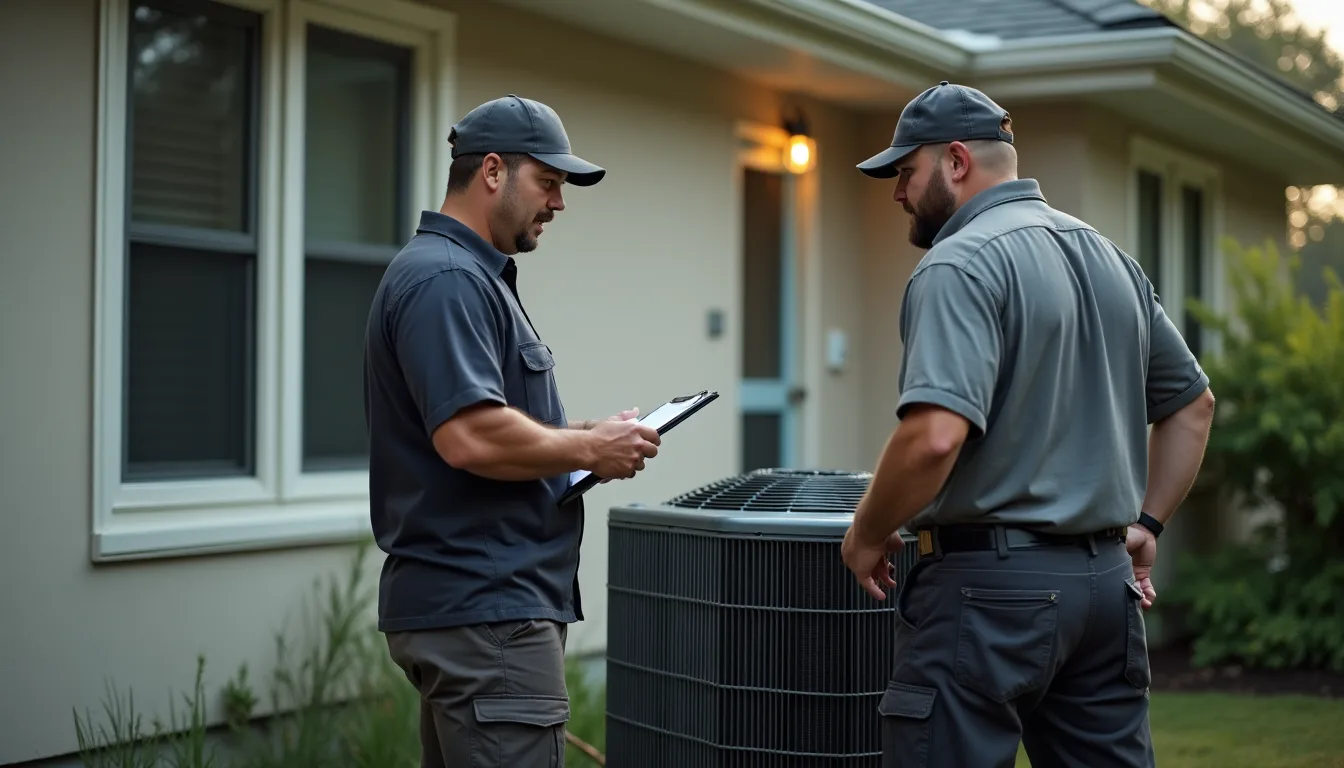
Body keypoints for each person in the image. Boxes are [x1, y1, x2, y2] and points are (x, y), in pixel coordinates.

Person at [841, 81, 1216, 768]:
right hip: (1105, 590)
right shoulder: (1112, 261)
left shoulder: (957, 263)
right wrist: (1147, 526)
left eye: (905, 172)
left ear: (956, 162)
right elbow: (1193, 406)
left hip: (987, 598)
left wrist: (866, 533)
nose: (897, 192)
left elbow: (934, 436)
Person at [362, 94, 662, 768]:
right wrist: (588, 448)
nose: (558, 203)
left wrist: (584, 432)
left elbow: (486, 420)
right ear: (492, 171)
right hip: (487, 617)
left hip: (474, 612)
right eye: (548, 183)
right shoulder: (446, 278)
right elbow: (466, 437)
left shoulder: (465, 276)